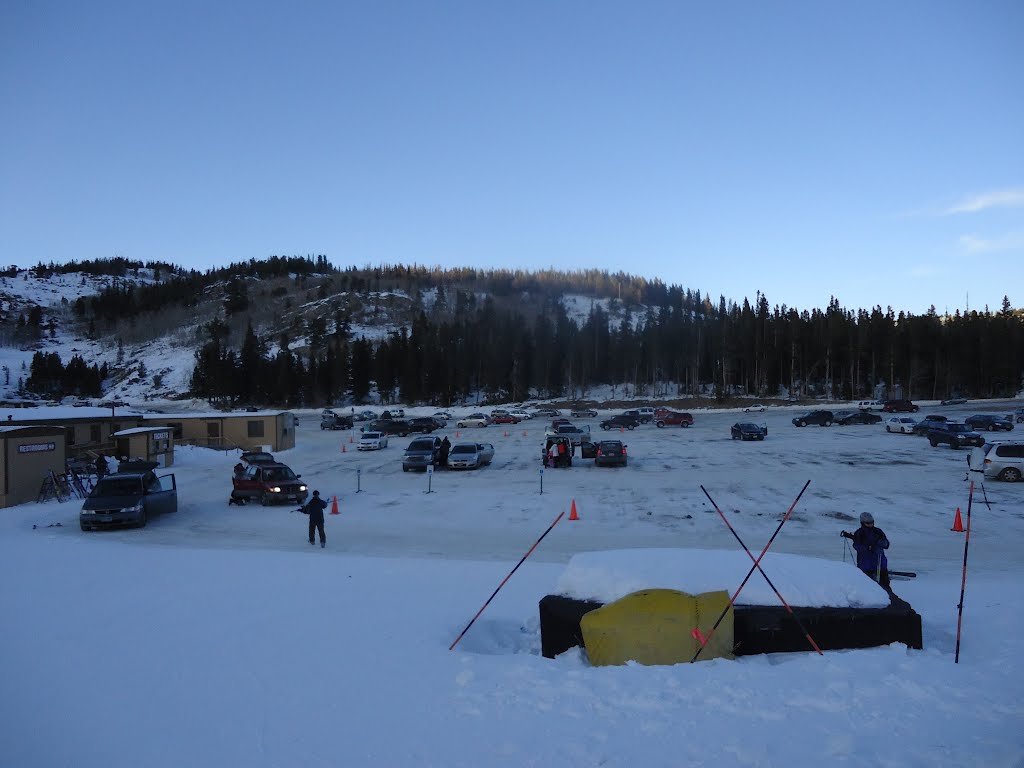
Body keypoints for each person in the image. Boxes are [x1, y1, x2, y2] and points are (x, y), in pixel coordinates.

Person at [842, 512, 890, 588]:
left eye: (872, 522)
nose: (871, 525)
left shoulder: (878, 531)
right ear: (862, 523)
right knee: (868, 588)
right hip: (866, 566)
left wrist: (882, 543)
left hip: (880, 564)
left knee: (885, 587)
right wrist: (868, 548)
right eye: (868, 523)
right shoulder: (859, 533)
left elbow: (887, 544)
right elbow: (856, 546)